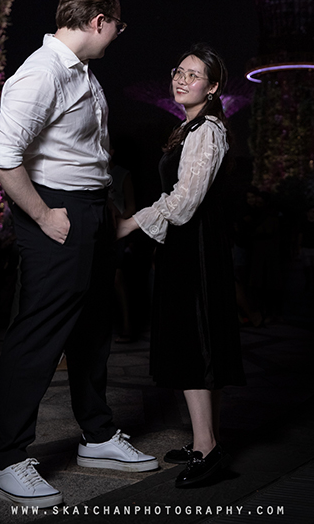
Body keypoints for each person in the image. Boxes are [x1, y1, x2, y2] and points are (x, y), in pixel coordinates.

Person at [0, 0, 158, 509]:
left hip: (88, 211)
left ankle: (98, 436)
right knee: (38, 336)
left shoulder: (79, 71)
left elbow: (78, 153)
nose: (117, 34)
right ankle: (10, 461)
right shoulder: (41, 73)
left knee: (91, 330)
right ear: (99, 20)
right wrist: (43, 216)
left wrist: (100, 203)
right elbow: (0, 154)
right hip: (56, 216)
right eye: (118, 25)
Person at [117, 44, 245, 488]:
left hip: (195, 248)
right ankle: (202, 440)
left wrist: (130, 223)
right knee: (193, 343)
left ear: (212, 88)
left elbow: (186, 203)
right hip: (186, 247)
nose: (181, 79)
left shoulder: (207, 130)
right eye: (179, 71)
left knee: (197, 346)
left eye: (194, 75)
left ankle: (208, 450)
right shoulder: (190, 127)